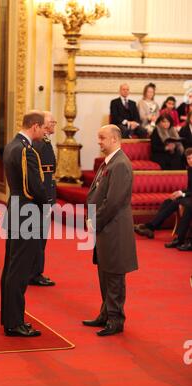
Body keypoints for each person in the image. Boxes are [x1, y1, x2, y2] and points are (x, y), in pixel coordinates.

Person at [83, 125, 138, 336]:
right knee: (104, 271)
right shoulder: (110, 161)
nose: (99, 141)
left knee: (114, 274)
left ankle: (116, 319)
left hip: (114, 228)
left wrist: (94, 220)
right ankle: (106, 313)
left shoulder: (121, 164)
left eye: (102, 138)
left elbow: (114, 201)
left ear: (114, 139)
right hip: (106, 227)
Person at [0, 111, 49, 337]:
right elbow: (34, 187)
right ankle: (15, 322)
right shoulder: (25, 150)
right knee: (19, 271)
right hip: (28, 213)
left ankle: (10, 318)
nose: (44, 131)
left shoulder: (11, 145)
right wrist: (46, 200)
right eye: (43, 127)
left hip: (16, 209)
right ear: (35, 126)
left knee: (11, 267)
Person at [134, 147, 192, 250]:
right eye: (188, 158)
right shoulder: (190, 169)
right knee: (169, 201)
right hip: (189, 196)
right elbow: (190, 188)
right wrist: (180, 192)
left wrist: (182, 194)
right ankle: (151, 228)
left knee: (182, 204)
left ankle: (178, 238)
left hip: (189, 198)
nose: (190, 160)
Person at [29, 111, 57, 287]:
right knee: (39, 236)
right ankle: (35, 272)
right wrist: (45, 198)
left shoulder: (44, 141)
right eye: (51, 121)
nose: (54, 123)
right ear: (44, 124)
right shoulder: (41, 143)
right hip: (42, 196)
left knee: (39, 236)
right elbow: (41, 174)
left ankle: (34, 271)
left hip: (45, 194)